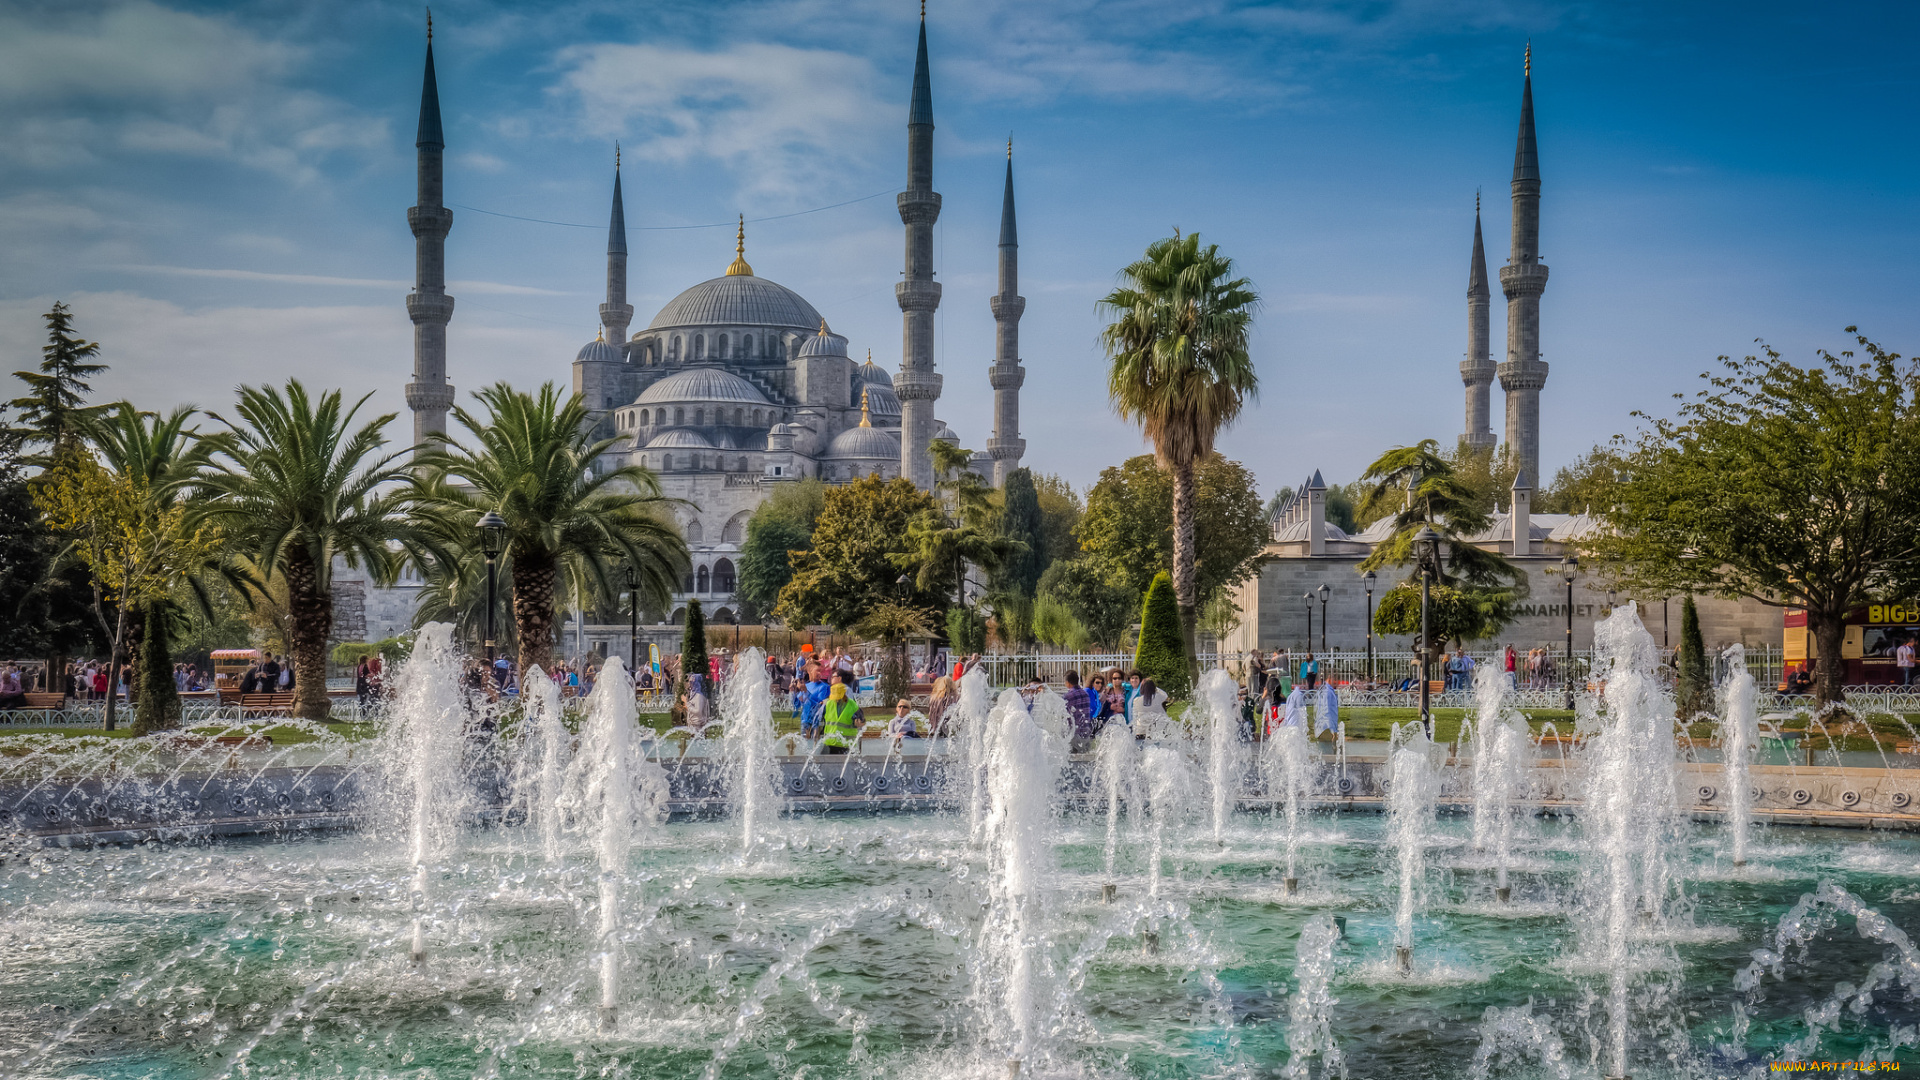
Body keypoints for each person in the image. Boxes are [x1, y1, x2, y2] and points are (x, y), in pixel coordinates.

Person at [820, 681, 864, 755]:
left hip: (847, 744)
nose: (837, 699)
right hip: (831, 743)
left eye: (838, 696)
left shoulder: (852, 705)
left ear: (844, 694)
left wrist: (859, 722)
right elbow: (819, 719)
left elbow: (861, 719)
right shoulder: (828, 704)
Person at [1063, 670, 1099, 753]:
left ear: (1067, 682)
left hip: (1074, 736)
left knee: (1073, 762)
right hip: (1086, 733)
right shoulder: (1085, 694)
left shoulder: (1067, 696)